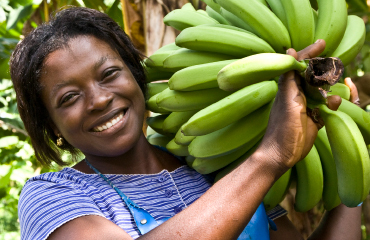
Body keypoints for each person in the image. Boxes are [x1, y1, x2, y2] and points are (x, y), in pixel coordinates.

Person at [10, 6, 362, 240]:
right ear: (53, 127)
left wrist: (357, 161)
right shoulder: (55, 195)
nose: (99, 99)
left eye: (109, 74)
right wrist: (269, 157)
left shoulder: (217, 164)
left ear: (136, 76)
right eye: (69, 98)